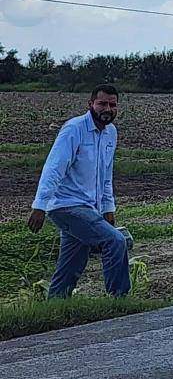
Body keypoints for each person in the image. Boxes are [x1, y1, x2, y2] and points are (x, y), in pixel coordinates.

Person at [27, 84, 131, 298]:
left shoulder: (110, 133)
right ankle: (118, 301)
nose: (107, 109)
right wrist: (40, 206)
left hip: (88, 208)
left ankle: (55, 307)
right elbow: (54, 168)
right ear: (90, 104)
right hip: (65, 206)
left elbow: (105, 176)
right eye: (102, 103)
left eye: (112, 105)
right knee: (115, 240)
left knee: (71, 264)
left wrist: (107, 208)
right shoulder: (74, 129)